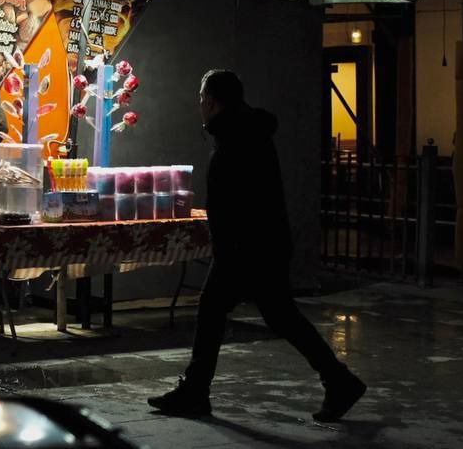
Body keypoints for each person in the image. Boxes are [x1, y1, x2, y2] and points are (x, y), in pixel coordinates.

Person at [149, 70, 365, 421]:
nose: (199, 107)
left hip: (245, 247)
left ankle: (195, 392)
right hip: (264, 243)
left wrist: (226, 252)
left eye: (202, 100)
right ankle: (338, 380)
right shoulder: (250, 131)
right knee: (279, 316)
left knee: (220, 310)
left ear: (212, 102)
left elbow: (234, 205)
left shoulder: (232, 140)